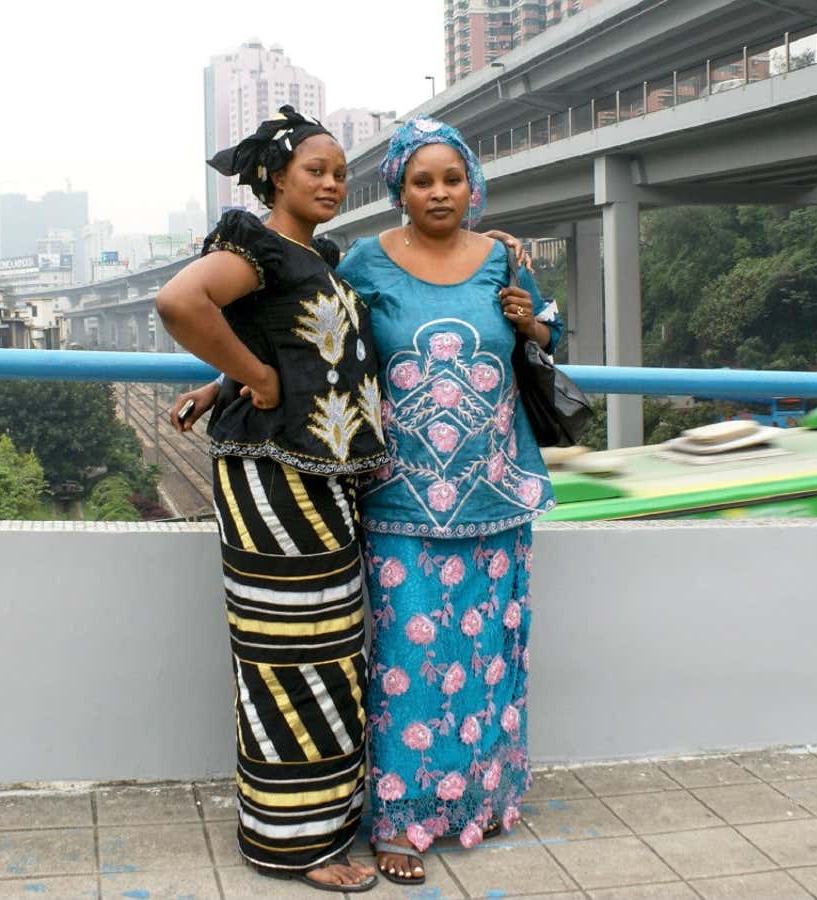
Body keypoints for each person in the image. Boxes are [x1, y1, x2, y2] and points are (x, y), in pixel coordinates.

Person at [153, 106, 384, 893]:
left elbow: (293, 347)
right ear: (277, 175)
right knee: (288, 654)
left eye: (340, 172)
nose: (331, 182)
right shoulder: (254, 245)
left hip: (319, 476)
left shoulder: (313, 256)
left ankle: (324, 825)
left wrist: (226, 379)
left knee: (328, 649)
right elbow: (182, 303)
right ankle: (296, 846)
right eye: (316, 169)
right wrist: (250, 382)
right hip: (273, 478)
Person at [335, 116, 562, 885]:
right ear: (398, 189)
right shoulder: (366, 262)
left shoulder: (503, 257)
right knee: (406, 658)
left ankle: (480, 801)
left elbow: (545, 335)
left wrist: (529, 319)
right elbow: (311, 340)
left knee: (487, 655)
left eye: (451, 179)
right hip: (399, 499)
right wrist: (225, 380)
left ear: (472, 186)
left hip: (495, 492)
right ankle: (400, 819)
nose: (438, 192)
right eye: (422, 181)